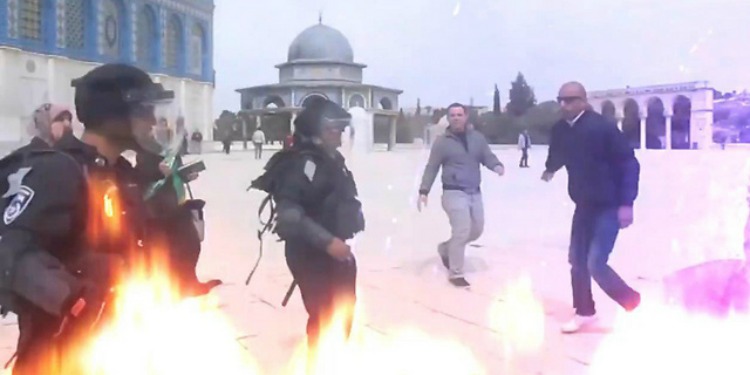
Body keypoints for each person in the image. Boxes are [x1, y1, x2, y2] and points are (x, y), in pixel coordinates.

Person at [0, 63, 174, 374]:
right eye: (144, 110)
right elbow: (13, 252)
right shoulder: (58, 170)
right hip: (57, 357)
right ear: (114, 115)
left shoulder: (121, 174)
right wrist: (72, 298)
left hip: (115, 348)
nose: (152, 121)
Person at [249, 97, 364, 366]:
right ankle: (317, 364)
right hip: (310, 253)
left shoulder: (332, 160)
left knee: (344, 311)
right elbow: (290, 215)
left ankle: (334, 361)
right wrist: (327, 243)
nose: (338, 135)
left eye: (340, 129)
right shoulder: (300, 165)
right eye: (331, 129)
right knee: (323, 315)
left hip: (336, 251)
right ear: (314, 133)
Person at [542, 81, 641, 334]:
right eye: (561, 100)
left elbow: (628, 164)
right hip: (583, 205)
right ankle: (585, 311)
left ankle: (632, 301)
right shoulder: (561, 129)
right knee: (577, 261)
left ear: (583, 101)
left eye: (571, 99)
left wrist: (626, 204)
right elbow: (558, 151)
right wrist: (550, 168)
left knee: (595, 262)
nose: (565, 105)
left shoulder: (602, 128)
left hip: (609, 205)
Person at [417, 102, 504, 287]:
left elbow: (486, 156)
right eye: (452, 115)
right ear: (448, 119)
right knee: (462, 230)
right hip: (453, 191)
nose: (456, 118)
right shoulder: (442, 142)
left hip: (474, 191)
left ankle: (447, 248)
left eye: (459, 114)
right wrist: (424, 190)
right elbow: (432, 167)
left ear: (466, 117)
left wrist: (496, 165)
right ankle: (456, 272)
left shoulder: (477, 139)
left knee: (476, 229)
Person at [134, 135, 221, 296]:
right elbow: (141, 176)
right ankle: (166, 287)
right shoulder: (147, 153)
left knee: (191, 244)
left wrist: (186, 176)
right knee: (166, 249)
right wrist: (158, 171)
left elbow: (174, 176)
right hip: (157, 209)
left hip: (177, 205)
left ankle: (188, 282)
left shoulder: (172, 153)